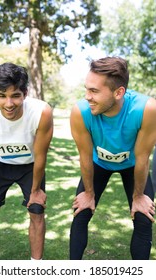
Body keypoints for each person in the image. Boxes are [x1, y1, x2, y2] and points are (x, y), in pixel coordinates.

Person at [69, 56, 156, 260]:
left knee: (144, 217)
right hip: (98, 164)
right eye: (87, 89)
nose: (87, 96)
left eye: (94, 91)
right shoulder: (80, 111)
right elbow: (85, 157)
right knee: (81, 212)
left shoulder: (146, 109)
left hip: (133, 165)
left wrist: (138, 197)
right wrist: (88, 193)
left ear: (119, 92)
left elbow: (143, 158)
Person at [0, 62, 53, 260]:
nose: (8, 103)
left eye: (15, 95)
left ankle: (36, 267)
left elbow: (41, 156)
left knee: (36, 210)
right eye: (2, 95)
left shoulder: (42, 112)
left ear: (25, 93)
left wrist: (36, 191)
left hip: (30, 166)